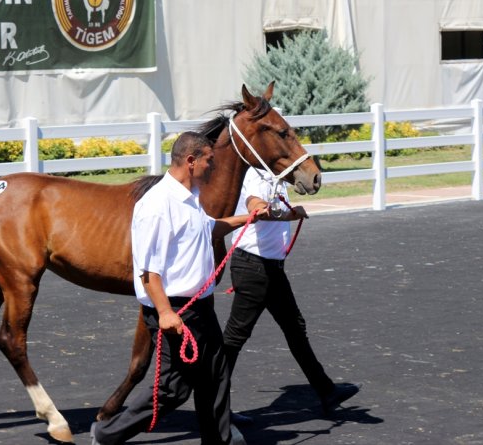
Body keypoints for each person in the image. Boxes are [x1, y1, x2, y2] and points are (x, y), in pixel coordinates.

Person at [91, 132, 265, 445]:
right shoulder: (158, 204)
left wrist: (248, 218)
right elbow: (148, 270)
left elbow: (208, 227)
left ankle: (219, 439)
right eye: (208, 161)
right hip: (176, 310)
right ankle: (107, 434)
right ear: (190, 161)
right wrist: (165, 312)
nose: (212, 167)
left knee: (216, 371)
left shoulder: (190, 195)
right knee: (172, 389)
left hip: (200, 307)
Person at [223, 168, 360, 420]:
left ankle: (326, 391)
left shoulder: (272, 175)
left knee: (294, 328)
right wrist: (290, 214)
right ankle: (214, 405)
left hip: (268, 267)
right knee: (235, 337)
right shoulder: (256, 174)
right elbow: (255, 205)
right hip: (255, 267)